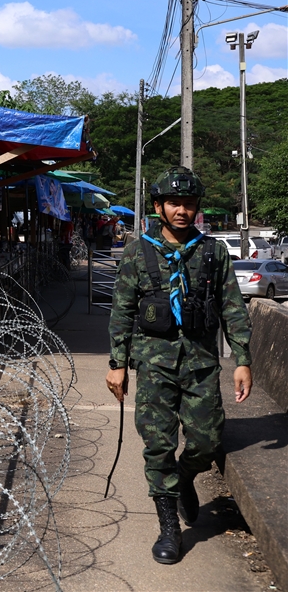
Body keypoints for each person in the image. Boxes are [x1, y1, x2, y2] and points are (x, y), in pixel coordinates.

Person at [106, 166, 252, 565]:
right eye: (174, 203)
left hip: (201, 363)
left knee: (206, 441)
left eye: (188, 204)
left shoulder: (212, 251)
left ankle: (184, 477)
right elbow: (122, 310)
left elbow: (232, 307)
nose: (182, 211)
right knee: (159, 446)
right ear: (159, 206)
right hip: (154, 366)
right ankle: (169, 524)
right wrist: (117, 363)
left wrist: (242, 359)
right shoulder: (140, 251)